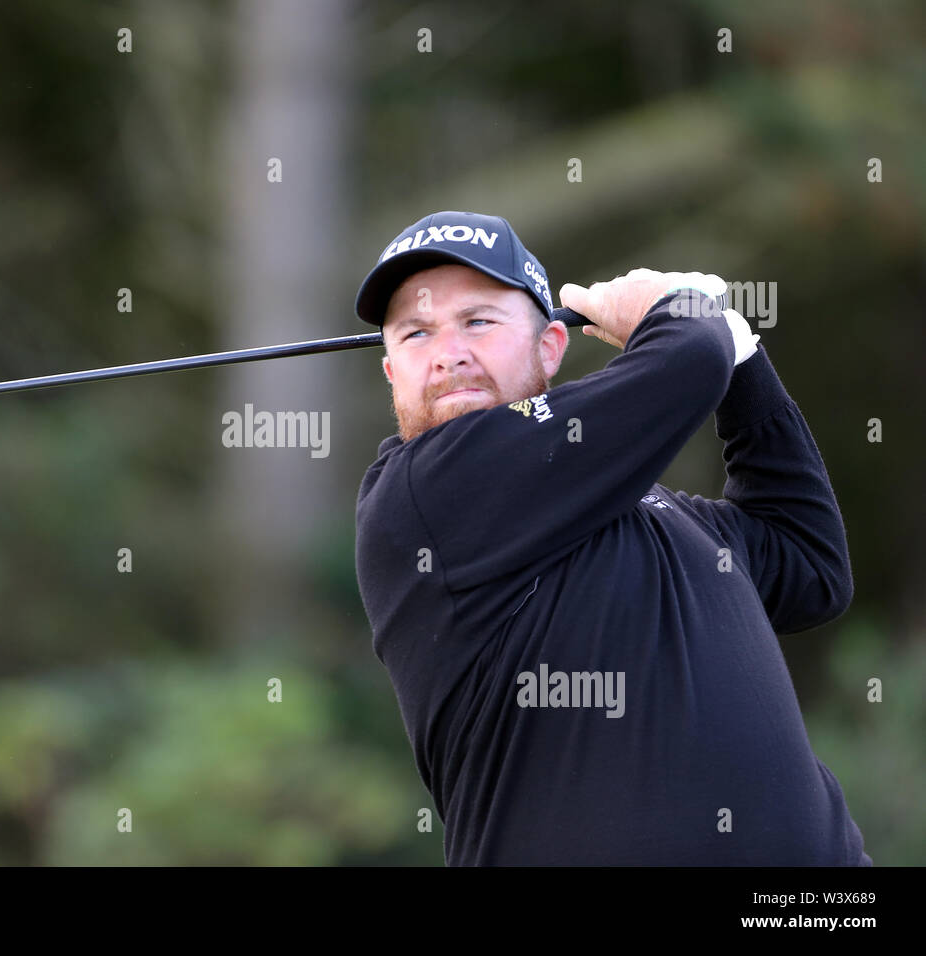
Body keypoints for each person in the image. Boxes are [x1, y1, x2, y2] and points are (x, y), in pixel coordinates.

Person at [352, 210, 872, 865]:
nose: (449, 353)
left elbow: (810, 568)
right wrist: (681, 314)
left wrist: (745, 361)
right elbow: (686, 359)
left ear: (550, 346)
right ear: (392, 371)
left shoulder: (662, 514)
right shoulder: (420, 495)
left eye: (479, 321)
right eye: (416, 332)